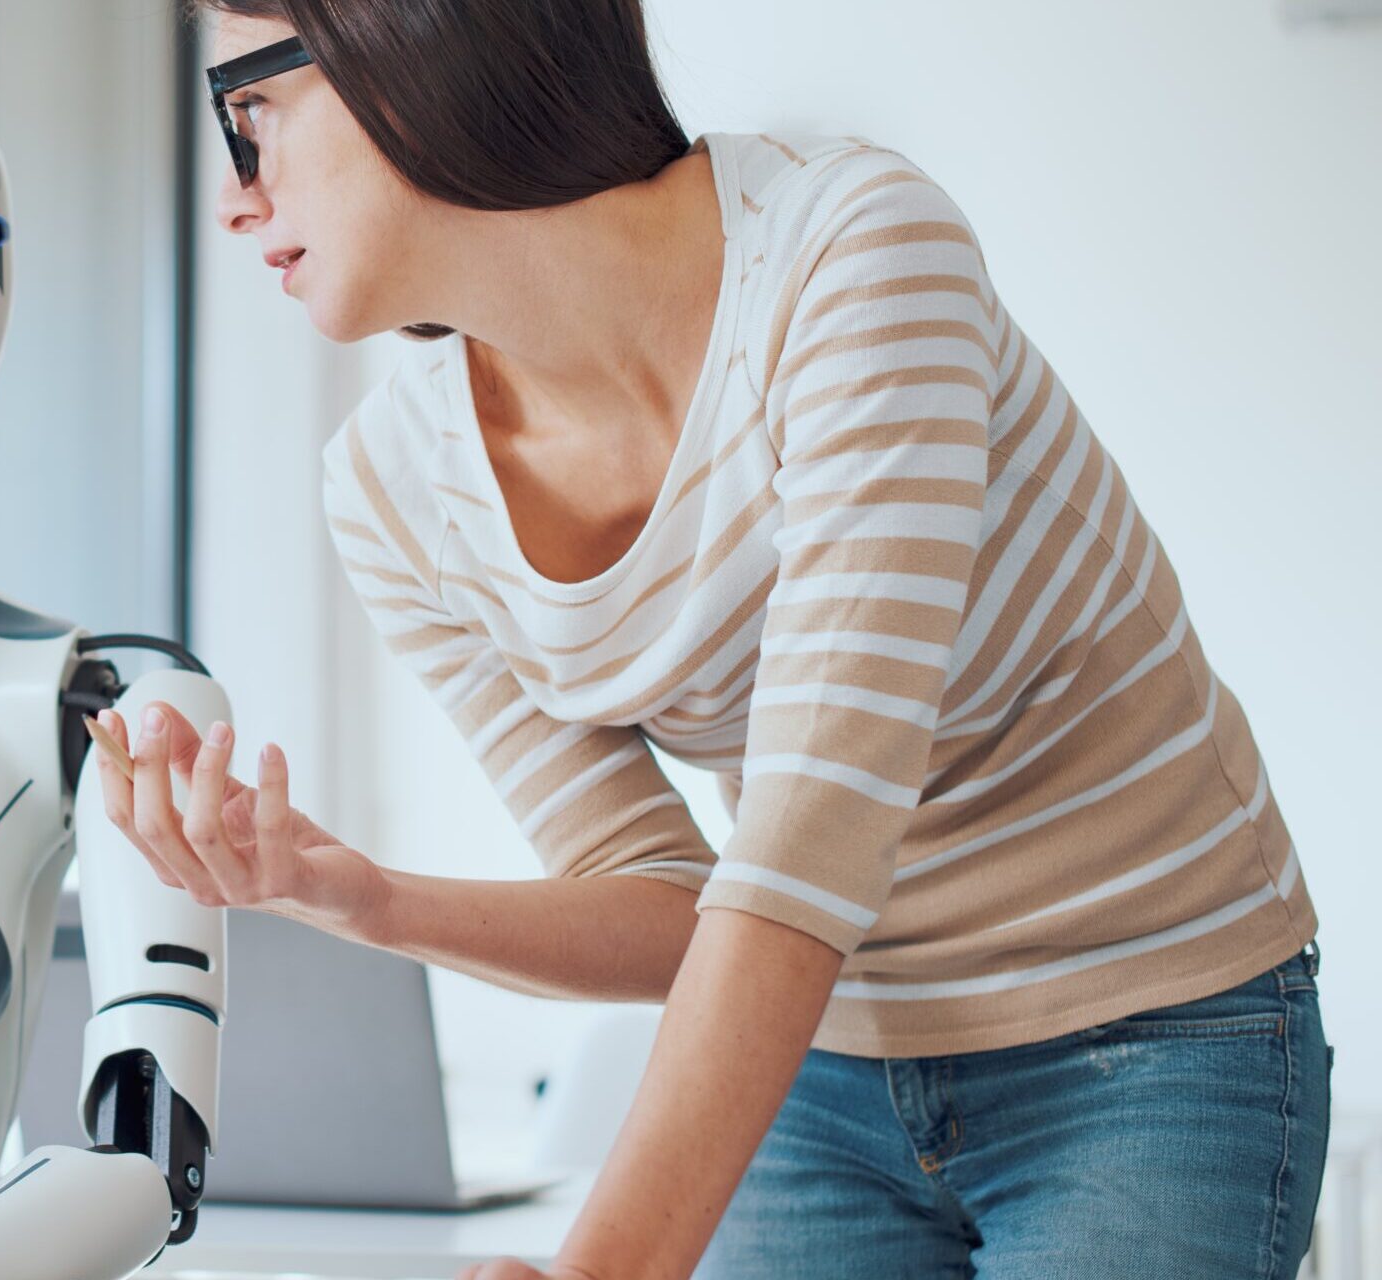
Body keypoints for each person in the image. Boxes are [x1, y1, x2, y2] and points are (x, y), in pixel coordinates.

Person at [88, 2, 1331, 1276]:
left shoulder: (852, 256)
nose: (233, 202)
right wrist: (355, 896)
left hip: (1146, 1024)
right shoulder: (395, 489)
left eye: (248, 116)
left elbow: (804, 842)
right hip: (817, 1055)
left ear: (413, 45)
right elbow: (674, 909)